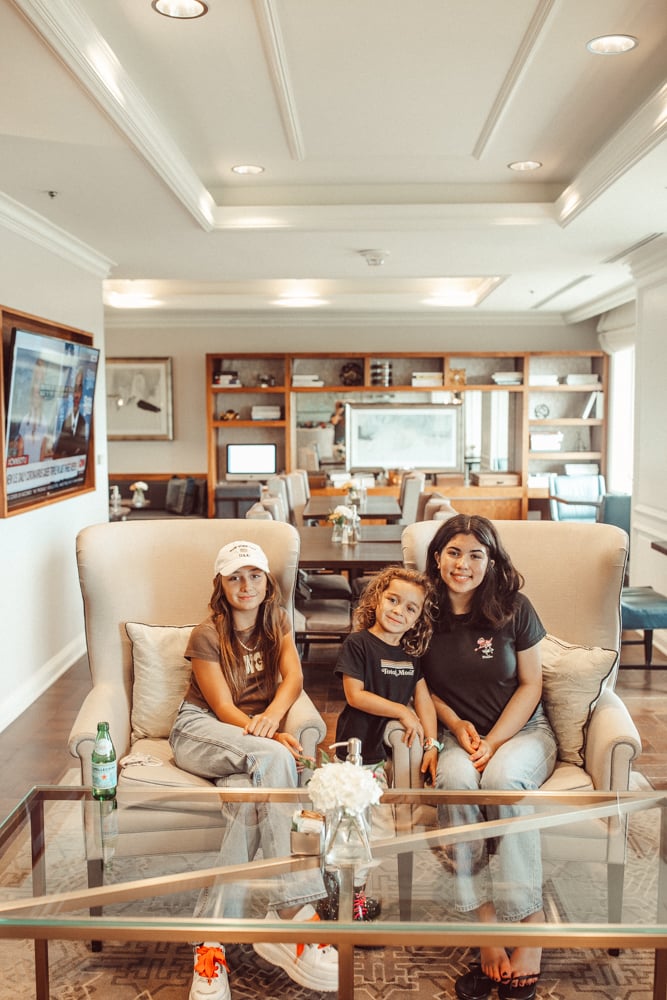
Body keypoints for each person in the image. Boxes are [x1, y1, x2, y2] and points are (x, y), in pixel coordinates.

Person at [169, 540, 336, 1000]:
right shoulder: (206, 634)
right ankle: (293, 911)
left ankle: (210, 946)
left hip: (249, 744)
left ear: (268, 581)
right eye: (235, 577)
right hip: (200, 731)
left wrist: (276, 718)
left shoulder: (277, 620)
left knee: (246, 805)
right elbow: (221, 706)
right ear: (221, 585)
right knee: (276, 758)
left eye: (255, 576)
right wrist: (265, 735)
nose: (246, 585)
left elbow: (294, 680)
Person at [420, 515, 557, 1000]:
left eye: (476, 555)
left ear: (491, 561)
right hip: (459, 737)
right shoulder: (422, 611)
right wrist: (456, 728)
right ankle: (485, 925)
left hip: (522, 733)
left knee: (500, 779)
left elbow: (531, 684)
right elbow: (419, 687)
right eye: (454, 552)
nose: (463, 564)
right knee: (455, 783)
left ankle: (530, 922)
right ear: (437, 556)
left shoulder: (514, 608)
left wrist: (495, 742)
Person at [324, 567, 439, 921]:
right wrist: (401, 713)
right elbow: (355, 695)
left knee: (371, 828)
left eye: (410, 608)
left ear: (418, 619)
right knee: (349, 825)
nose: (398, 611)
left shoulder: (411, 655)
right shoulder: (358, 644)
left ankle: (353, 895)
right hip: (355, 753)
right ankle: (343, 899)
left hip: (384, 758)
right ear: (376, 599)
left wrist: (432, 743)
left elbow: (425, 701)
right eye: (392, 600)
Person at [54, 366, 88, 457]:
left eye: (79, 389)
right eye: (74, 389)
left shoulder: (83, 422)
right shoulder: (62, 419)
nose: (76, 395)